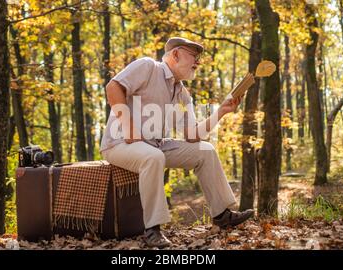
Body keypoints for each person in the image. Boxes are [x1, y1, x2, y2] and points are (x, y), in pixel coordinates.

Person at [100, 37, 254, 248]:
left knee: (205, 151)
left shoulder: (182, 93)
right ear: (175, 55)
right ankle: (152, 230)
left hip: (156, 145)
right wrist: (128, 126)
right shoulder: (148, 67)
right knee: (154, 157)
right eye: (194, 56)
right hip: (119, 144)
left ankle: (222, 216)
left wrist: (221, 112)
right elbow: (113, 87)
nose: (197, 62)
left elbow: (192, 135)